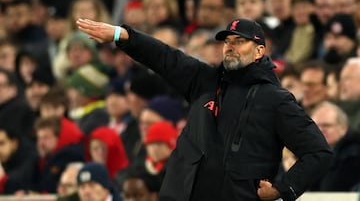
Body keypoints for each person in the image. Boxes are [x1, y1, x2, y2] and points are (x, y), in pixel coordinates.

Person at [77, 17, 333, 201]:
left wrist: (282, 189)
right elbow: (165, 57)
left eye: (239, 41)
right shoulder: (204, 80)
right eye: (227, 41)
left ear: (259, 52)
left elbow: (319, 152)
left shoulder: (276, 100)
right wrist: (123, 36)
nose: (230, 46)